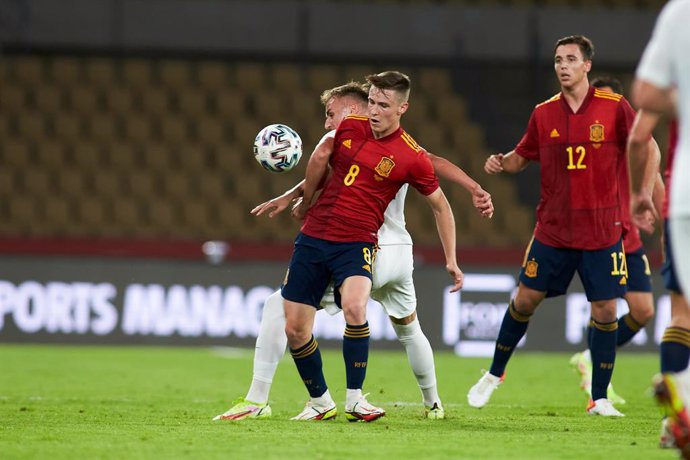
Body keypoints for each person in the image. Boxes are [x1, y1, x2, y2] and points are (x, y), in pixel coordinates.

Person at [213, 81, 493, 422]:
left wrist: (301, 200)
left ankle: (265, 399)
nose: (327, 122)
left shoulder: (349, 135)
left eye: (331, 114)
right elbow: (429, 161)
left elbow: (325, 166)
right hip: (400, 252)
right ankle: (433, 403)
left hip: (363, 243)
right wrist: (473, 186)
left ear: (351, 110)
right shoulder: (389, 145)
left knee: (281, 307)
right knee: (408, 327)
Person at [467, 35, 636, 417]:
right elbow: (521, 157)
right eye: (558, 59)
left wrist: (642, 189)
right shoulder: (543, 113)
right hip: (554, 230)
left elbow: (641, 143)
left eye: (571, 59)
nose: (562, 65)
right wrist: (500, 162)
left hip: (602, 229)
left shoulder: (615, 107)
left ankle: (600, 398)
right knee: (525, 299)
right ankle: (494, 373)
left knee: (606, 310)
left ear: (587, 65)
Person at [569, 76, 662, 406]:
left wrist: (658, 216)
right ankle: (598, 382)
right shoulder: (584, 146)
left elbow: (654, 164)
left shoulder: (632, 142)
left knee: (643, 310)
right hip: (601, 234)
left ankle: (588, 356)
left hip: (630, 236)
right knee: (604, 307)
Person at [634, 1, 690, 452]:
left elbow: (643, 113)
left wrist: (638, 193)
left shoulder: (679, 14)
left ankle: (678, 414)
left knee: (681, 310)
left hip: (685, 194)